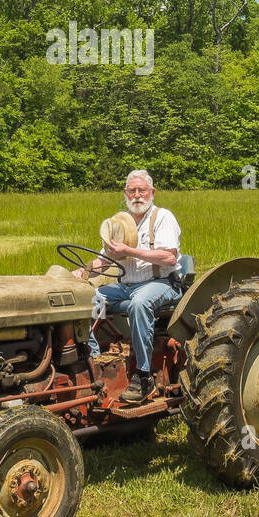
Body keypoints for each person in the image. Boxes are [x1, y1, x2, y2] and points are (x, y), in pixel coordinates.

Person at [81, 169, 183, 406]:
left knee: (139, 303)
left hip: (162, 283)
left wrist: (129, 251)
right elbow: (104, 260)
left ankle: (144, 375)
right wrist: (83, 271)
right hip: (126, 286)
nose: (137, 195)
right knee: (89, 297)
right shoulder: (119, 222)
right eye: (132, 190)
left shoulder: (163, 217)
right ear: (125, 193)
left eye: (142, 190)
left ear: (152, 192)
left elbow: (168, 258)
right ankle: (93, 359)